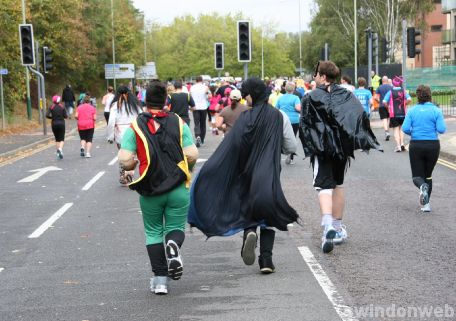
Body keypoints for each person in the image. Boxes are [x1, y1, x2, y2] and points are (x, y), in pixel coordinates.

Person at [188, 77, 298, 274]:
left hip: (246, 171)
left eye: (246, 93)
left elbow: (233, 145)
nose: (245, 97)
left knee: (248, 204)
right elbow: (290, 145)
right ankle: (266, 260)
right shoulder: (278, 116)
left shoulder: (245, 118)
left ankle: (249, 232)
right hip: (270, 171)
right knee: (269, 210)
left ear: (252, 94)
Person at [118, 80, 198, 295]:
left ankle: (160, 280)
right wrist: (186, 168)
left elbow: (125, 159)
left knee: (153, 232)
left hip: (150, 188)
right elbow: (192, 154)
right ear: (165, 101)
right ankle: (173, 246)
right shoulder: (179, 123)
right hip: (178, 187)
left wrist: (133, 164)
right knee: (176, 227)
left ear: (145, 101)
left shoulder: (136, 125)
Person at [300, 61, 382, 254]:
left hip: (323, 149)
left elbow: (306, 126)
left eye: (316, 74)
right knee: (338, 184)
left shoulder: (310, 97)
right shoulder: (346, 95)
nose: (314, 77)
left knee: (323, 185)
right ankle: (337, 229)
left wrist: (313, 147)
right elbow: (360, 117)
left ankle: (328, 225)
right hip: (341, 150)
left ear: (322, 76)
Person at [402, 85, 446, 212]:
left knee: (417, 176)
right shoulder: (436, 110)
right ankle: (426, 205)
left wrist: (414, 133)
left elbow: (405, 128)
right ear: (430, 95)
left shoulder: (412, 110)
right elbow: (442, 129)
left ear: (418, 96)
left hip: (416, 144)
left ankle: (422, 186)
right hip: (433, 145)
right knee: (428, 175)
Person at [107, 85, 143, 185]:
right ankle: (129, 174)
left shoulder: (115, 106)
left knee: (123, 154)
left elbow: (111, 122)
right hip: (133, 132)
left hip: (120, 134)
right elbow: (142, 117)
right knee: (133, 154)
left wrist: (110, 136)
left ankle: (124, 174)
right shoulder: (135, 104)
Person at [383, 76, 412, 152]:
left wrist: (388, 107)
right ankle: (402, 143)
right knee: (402, 129)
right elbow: (409, 99)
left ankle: (398, 146)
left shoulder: (390, 92)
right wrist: (405, 104)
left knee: (395, 130)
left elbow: (384, 101)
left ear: (393, 83)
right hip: (403, 113)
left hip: (394, 114)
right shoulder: (403, 91)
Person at [276, 81, 301, 164]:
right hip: (294, 120)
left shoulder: (280, 98)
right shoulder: (295, 98)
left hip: (282, 120)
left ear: (285, 89)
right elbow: (298, 108)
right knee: (292, 138)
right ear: (293, 89)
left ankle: (277, 155)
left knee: (281, 137)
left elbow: (276, 109)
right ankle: (290, 157)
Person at [190, 76, 209, 147]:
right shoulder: (205, 87)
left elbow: (190, 97)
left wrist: (191, 106)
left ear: (196, 80)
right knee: (203, 123)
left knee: (196, 123)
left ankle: (197, 136)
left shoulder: (192, 87)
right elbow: (209, 96)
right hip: (203, 107)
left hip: (195, 107)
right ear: (202, 80)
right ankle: (202, 138)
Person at [375, 76, 393, 141]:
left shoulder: (379, 87)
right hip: (389, 106)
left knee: (384, 119)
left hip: (382, 105)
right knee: (388, 118)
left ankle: (386, 131)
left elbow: (375, 97)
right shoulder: (391, 87)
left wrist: (379, 101)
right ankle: (387, 131)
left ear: (382, 81)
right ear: (387, 81)